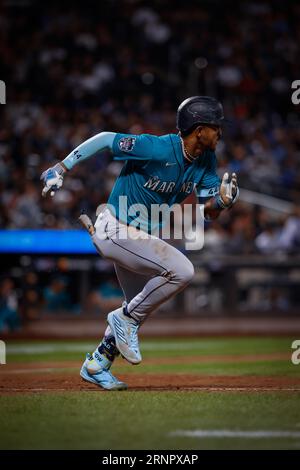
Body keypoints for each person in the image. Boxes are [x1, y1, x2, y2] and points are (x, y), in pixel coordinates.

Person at [41, 96, 239, 390]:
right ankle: (124, 320)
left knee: (137, 307)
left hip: (138, 238)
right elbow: (108, 139)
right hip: (115, 228)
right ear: (199, 129)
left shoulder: (206, 160)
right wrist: (62, 167)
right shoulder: (157, 147)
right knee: (182, 271)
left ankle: (98, 363)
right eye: (215, 126)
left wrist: (222, 203)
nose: (220, 132)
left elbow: (207, 212)